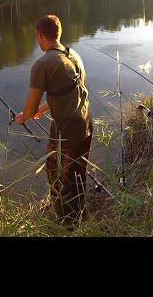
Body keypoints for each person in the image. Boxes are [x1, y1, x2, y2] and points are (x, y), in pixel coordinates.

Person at [14, 14, 92, 225]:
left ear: (40, 35)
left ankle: (66, 224)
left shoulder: (42, 64)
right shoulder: (73, 54)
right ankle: (79, 213)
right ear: (59, 32)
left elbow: (28, 110)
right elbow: (75, 87)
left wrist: (22, 118)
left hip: (66, 131)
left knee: (57, 176)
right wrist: (45, 107)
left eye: (36, 36)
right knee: (78, 172)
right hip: (85, 123)